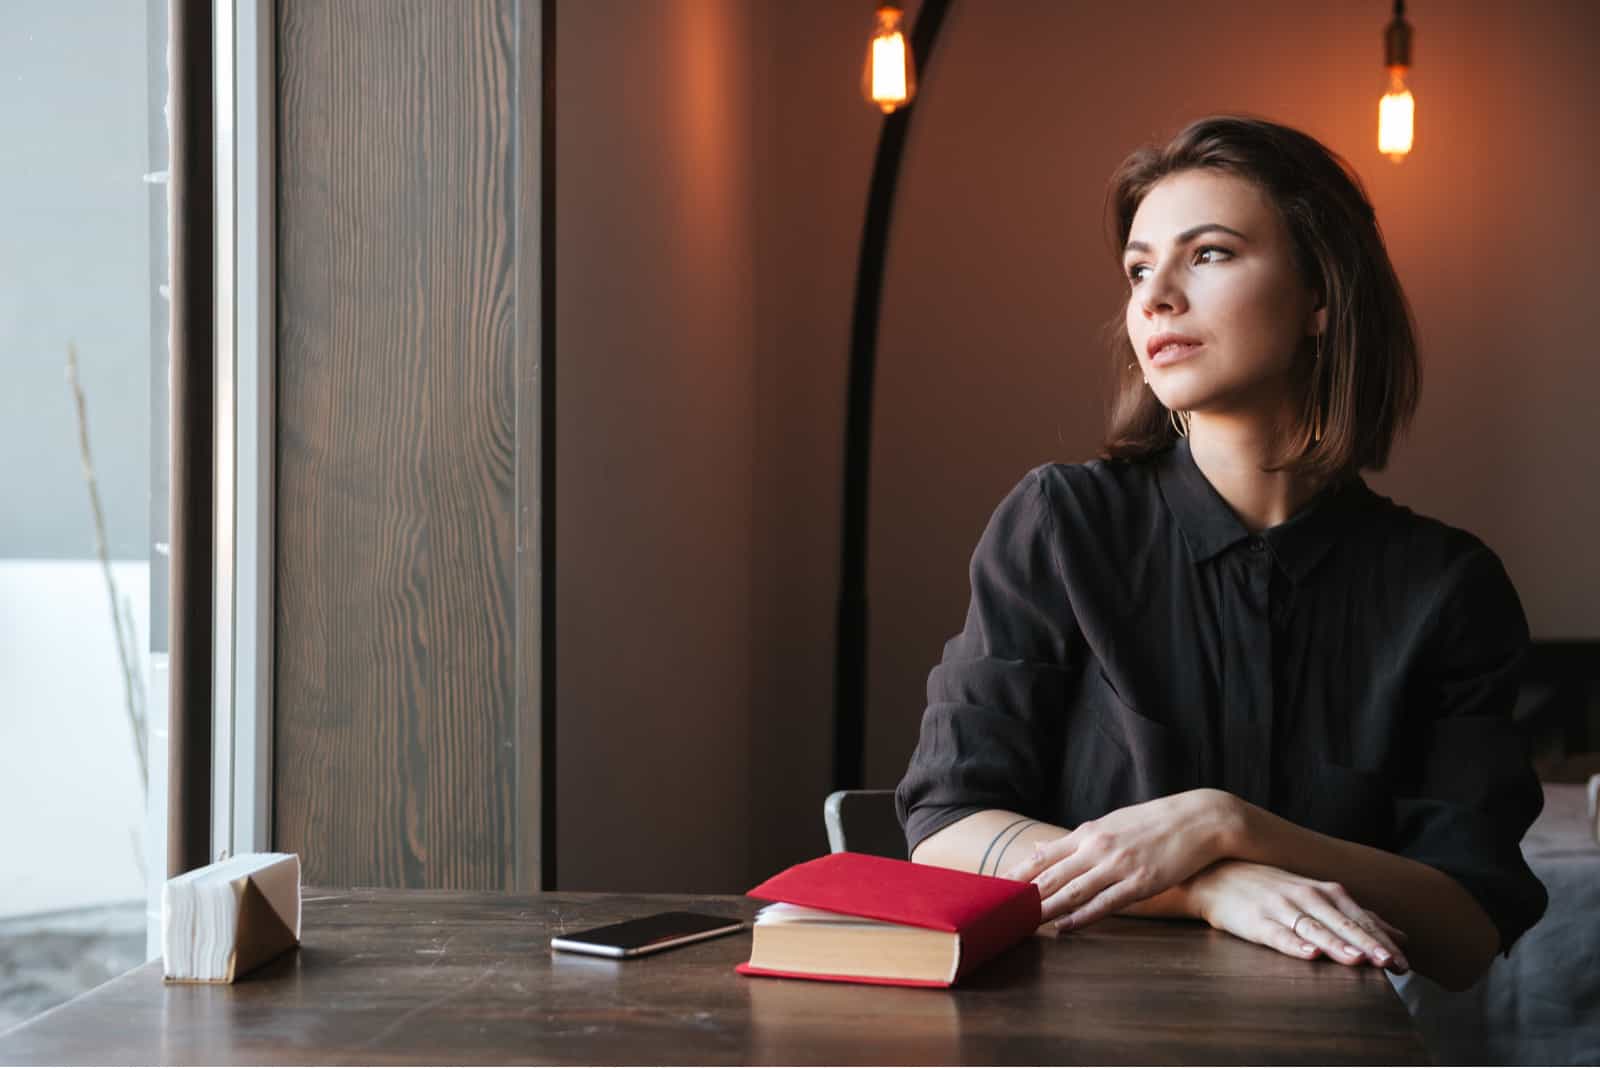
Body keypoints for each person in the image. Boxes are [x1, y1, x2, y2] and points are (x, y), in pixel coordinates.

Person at [894, 115, 1547, 994]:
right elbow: (946, 826)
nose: (1154, 297)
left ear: (1321, 295)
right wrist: (1206, 886)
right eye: (1137, 269)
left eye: (1208, 254)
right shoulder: (1061, 522)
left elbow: (1465, 932)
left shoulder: (1446, 586)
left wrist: (1230, 825)